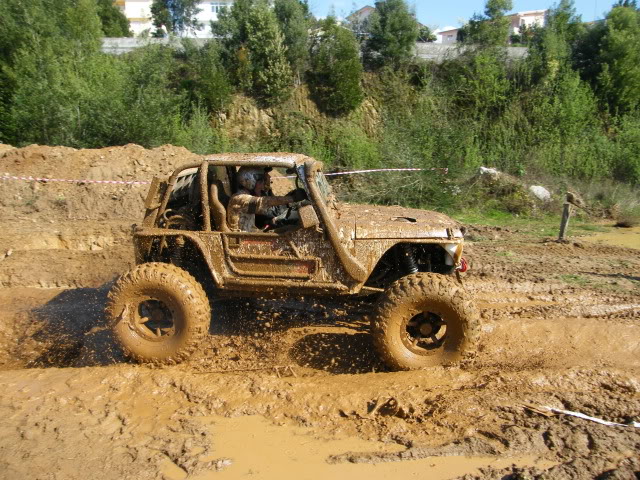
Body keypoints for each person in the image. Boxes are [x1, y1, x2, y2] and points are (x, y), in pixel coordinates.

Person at [227, 167, 302, 232]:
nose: (263, 185)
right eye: (261, 181)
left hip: (252, 235)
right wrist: (292, 198)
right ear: (250, 182)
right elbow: (263, 202)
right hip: (245, 240)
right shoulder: (240, 198)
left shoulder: (245, 196)